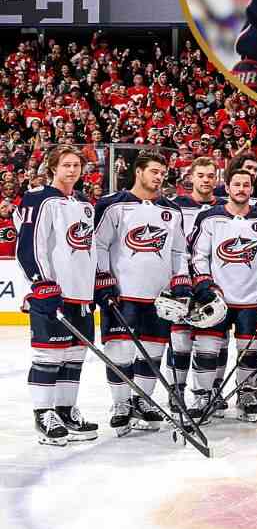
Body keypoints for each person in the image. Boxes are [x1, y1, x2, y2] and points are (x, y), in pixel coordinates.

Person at [93, 150, 189, 433]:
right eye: (154, 171)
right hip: (123, 292)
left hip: (159, 295)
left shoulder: (171, 210)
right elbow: (98, 244)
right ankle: (121, 403)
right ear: (139, 171)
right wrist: (103, 277)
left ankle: (143, 400)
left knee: (152, 351)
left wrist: (180, 279)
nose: (159, 177)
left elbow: (178, 249)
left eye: (162, 172)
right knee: (119, 349)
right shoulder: (114, 205)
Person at [19, 145, 99, 444]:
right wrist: (41, 282)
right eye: (66, 165)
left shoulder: (84, 203)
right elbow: (29, 244)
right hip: (53, 291)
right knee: (48, 355)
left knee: (74, 356)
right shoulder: (39, 199)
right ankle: (43, 414)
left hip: (81, 294)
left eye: (76, 165)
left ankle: (65, 411)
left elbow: (88, 249)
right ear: (52, 167)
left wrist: (97, 283)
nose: (72, 170)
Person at [188, 167, 257, 422]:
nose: (241, 189)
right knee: (207, 348)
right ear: (226, 187)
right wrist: (205, 284)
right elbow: (198, 255)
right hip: (216, 298)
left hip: (251, 299)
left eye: (246, 185)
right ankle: (204, 395)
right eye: (236, 184)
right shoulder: (210, 218)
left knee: (249, 350)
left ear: (252, 189)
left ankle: (246, 394)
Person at [165, 157, 219, 417]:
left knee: (213, 344)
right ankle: (176, 392)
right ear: (191, 178)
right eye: (201, 175)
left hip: (208, 285)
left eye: (211, 175)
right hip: (180, 283)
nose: (206, 180)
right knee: (180, 342)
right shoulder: (175, 207)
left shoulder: (223, 210)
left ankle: (208, 392)